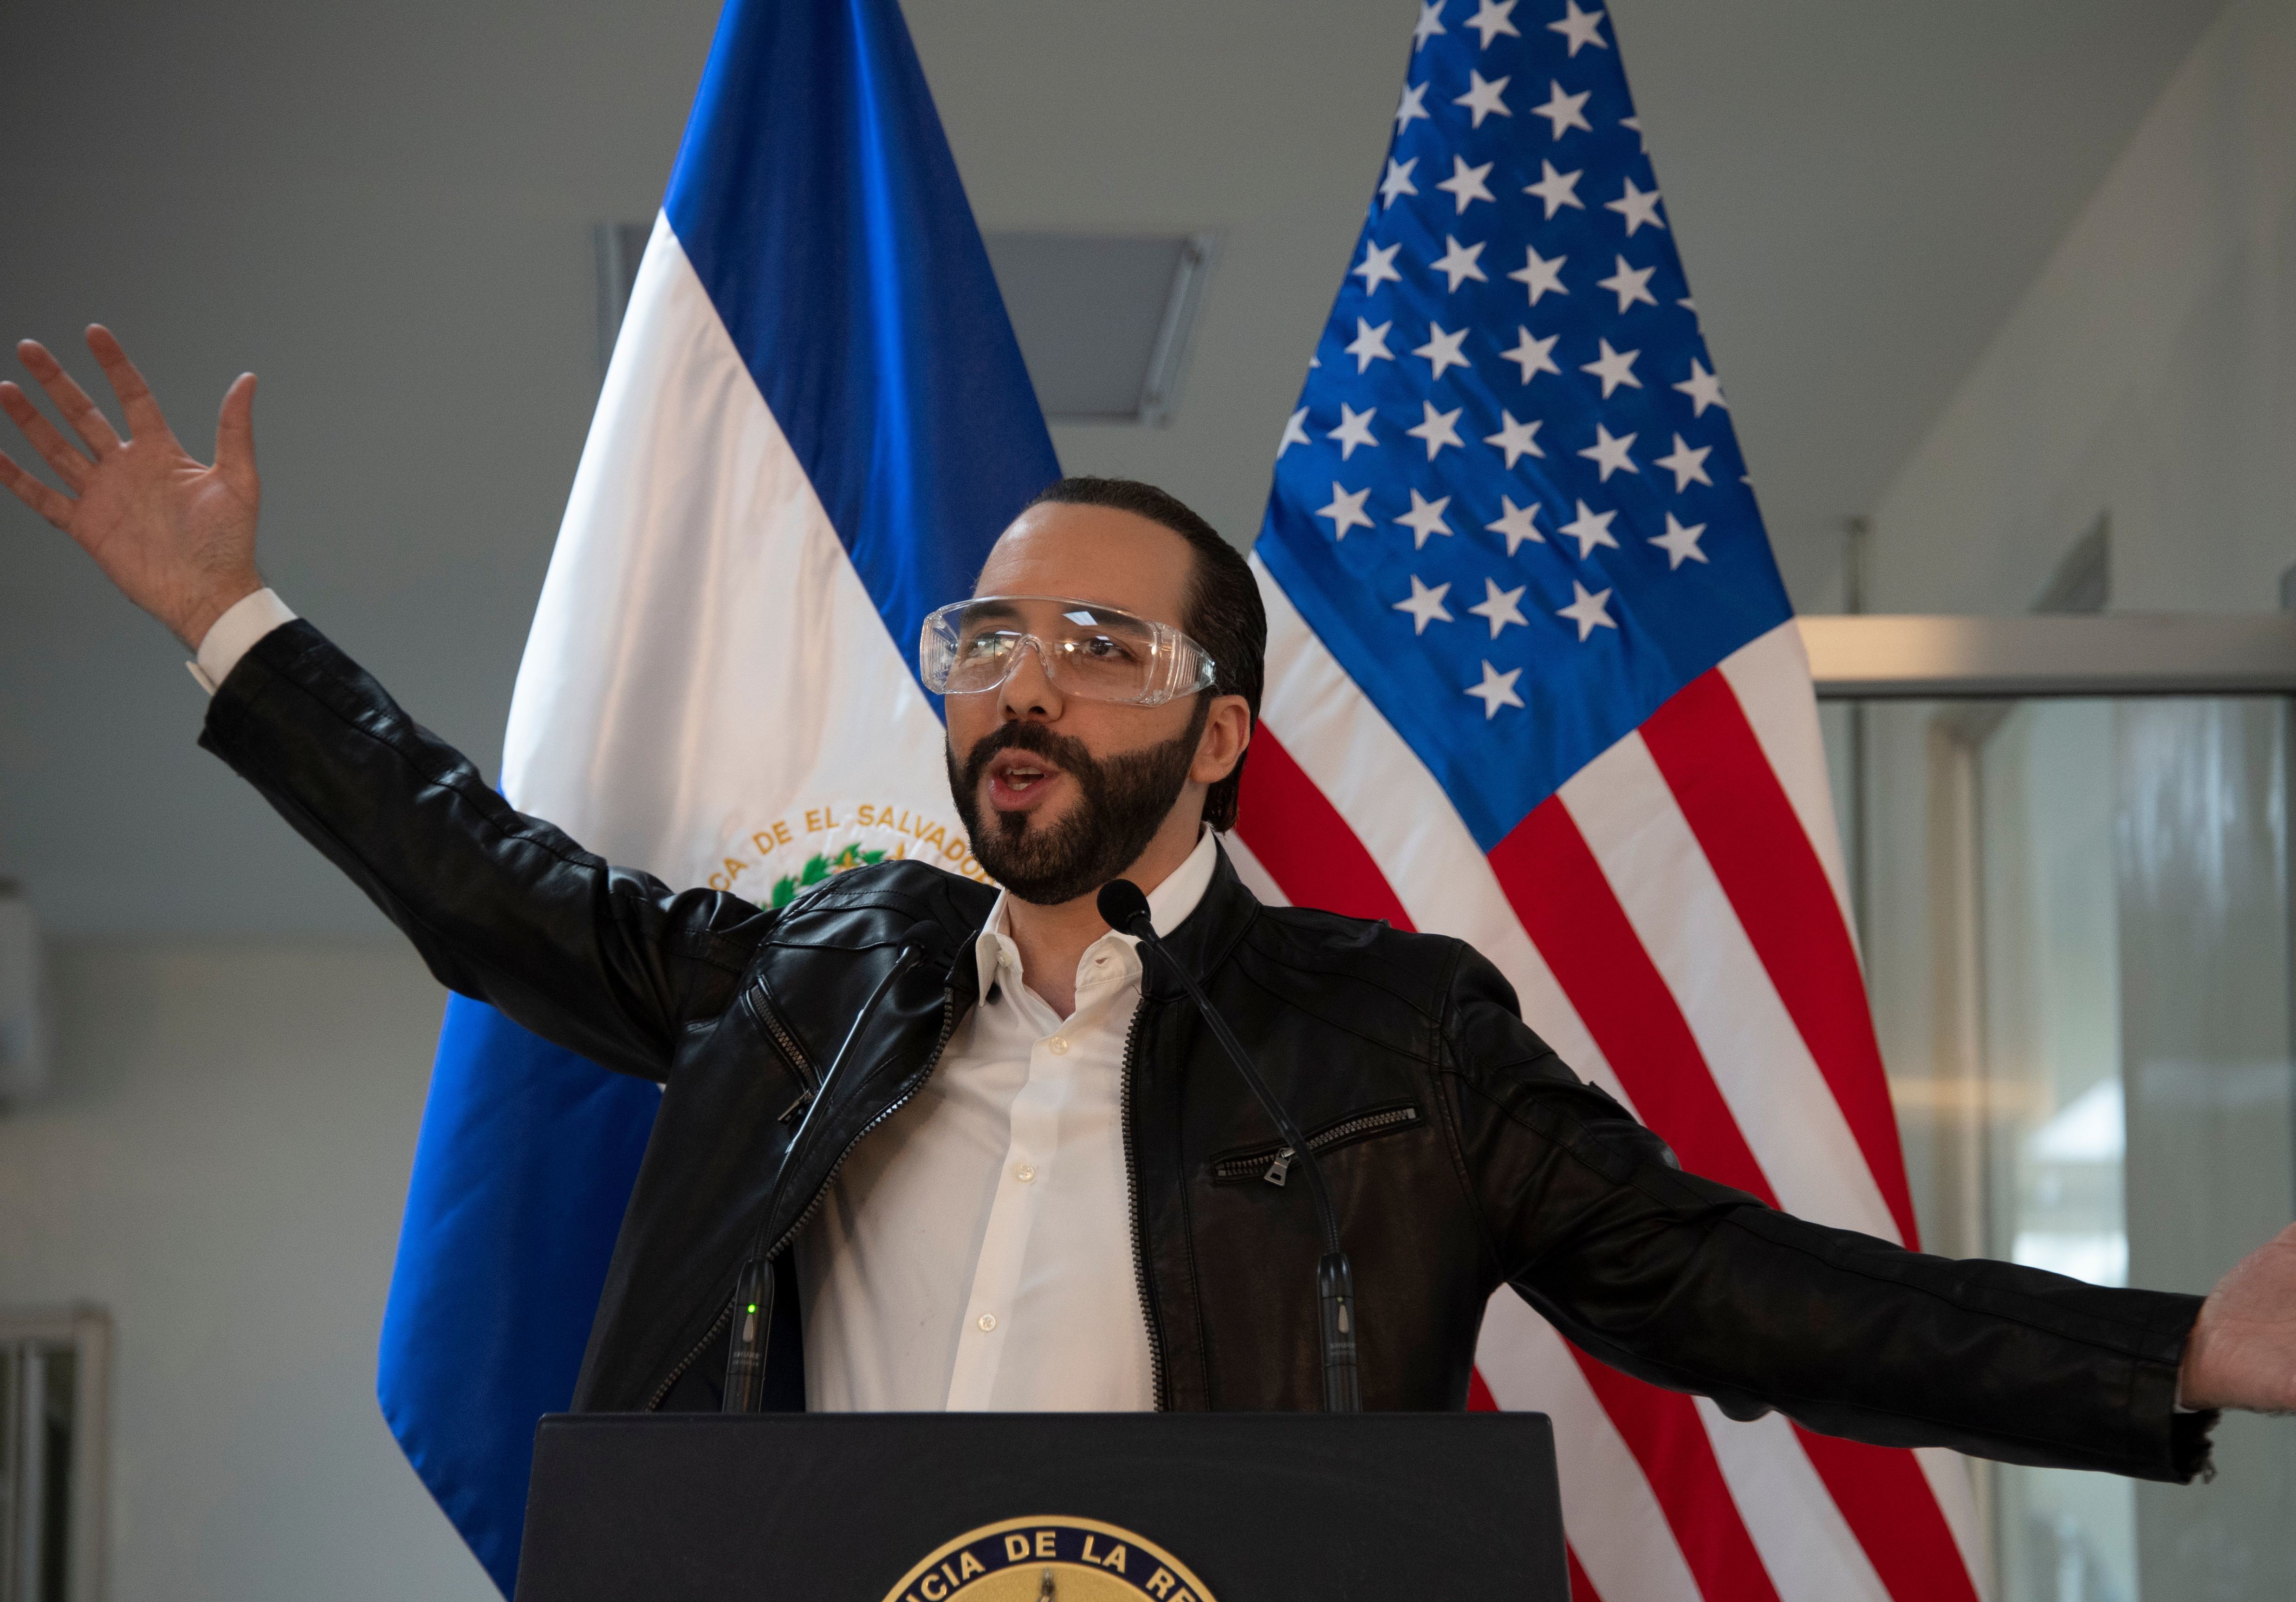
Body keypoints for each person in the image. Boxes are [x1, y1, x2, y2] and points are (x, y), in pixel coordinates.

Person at [6, 327, 2295, 1475]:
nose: (1022, 687)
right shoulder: (812, 976)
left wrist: (2167, 1349)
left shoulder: (1398, 1041)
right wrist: (236, 626)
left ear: (1217, 739)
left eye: (1100, 649)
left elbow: (1733, 1289)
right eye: (984, 640)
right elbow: (488, 886)